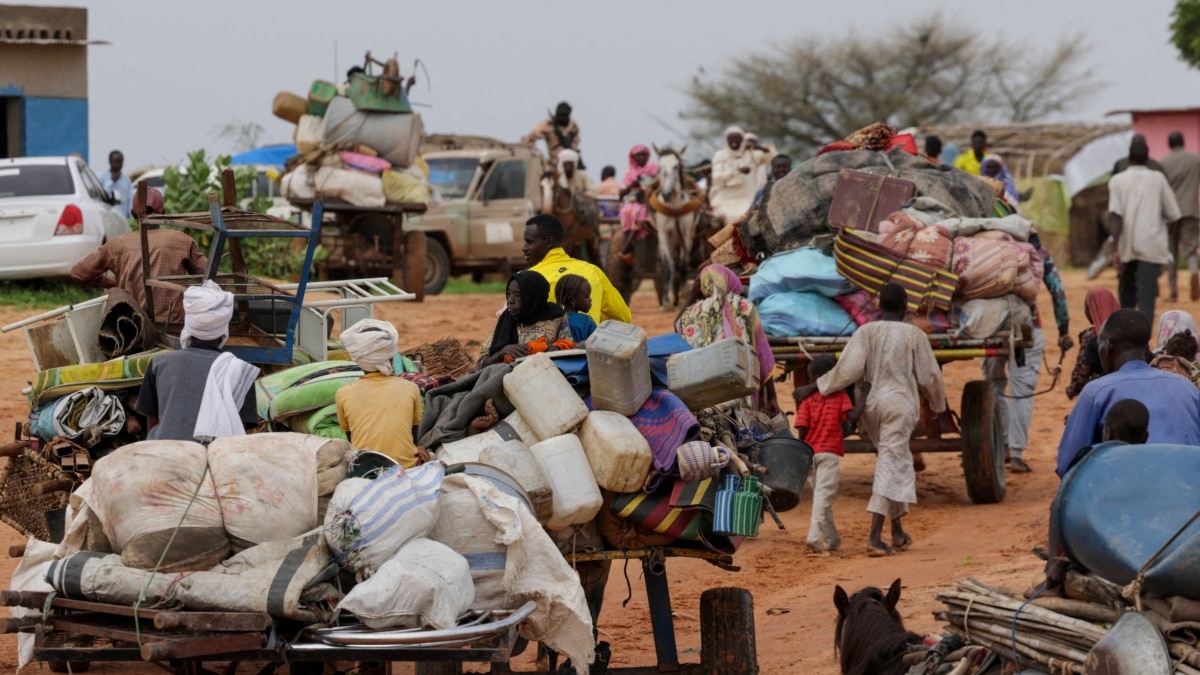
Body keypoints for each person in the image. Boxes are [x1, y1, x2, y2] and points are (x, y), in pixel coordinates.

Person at [793, 283, 947, 556]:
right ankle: (875, 538)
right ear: (904, 308)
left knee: (892, 458)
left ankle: (898, 532)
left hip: (872, 407)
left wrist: (814, 387)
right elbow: (930, 377)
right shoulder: (914, 335)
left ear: (879, 307)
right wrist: (937, 404)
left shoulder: (866, 331)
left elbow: (847, 370)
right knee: (891, 461)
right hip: (899, 405)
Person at [1056, 309, 1200, 476]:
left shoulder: (1096, 391)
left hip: (1126, 492)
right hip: (1188, 492)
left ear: (1108, 347)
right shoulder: (1186, 386)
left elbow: (1067, 465)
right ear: (1146, 347)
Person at [981, 232, 1073, 473]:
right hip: (1025, 329)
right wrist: (1063, 330)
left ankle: (1002, 445)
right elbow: (1057, 292)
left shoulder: (986, 249)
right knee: (1022, 389)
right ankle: (1017, 453)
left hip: (990, 328)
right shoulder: (1039, 253)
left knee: (994, 384)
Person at [135, 280, 259, 442]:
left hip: (162, 454)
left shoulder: (158, 363)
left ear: (189, 325)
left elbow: (152, 422)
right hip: (213, 459)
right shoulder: (240, 372)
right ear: (224, 331)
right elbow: (240, 430)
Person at [71, 187, 209, 325]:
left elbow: (78, 273)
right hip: (173, 328)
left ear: (132, 213)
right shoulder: (183, 241)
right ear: (163, 213)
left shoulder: (117, 244)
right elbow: (210, 278)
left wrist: (113, 283)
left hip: (131, 327)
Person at [675, 264, 778, 414]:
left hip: (703, 397)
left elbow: (676, 325)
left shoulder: (689, 315)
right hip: (741, 391)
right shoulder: (744, 307)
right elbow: (762, 354)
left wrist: (692, 295)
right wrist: (772, 397)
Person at [794, 356, 867, 556]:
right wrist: (864, 395)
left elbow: (801, 427)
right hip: (829, 453)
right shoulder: (840, 395)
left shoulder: (807, 400)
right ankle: (813, 535)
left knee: (821, 498)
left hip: (811, 453)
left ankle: (832, 539)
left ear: (816, 377)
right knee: (823, 498)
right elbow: (852, 418)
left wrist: (805, 450)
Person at [1108, 137, 1183, 320]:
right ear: (1147, 158)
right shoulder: (1158, 179)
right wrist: (1168, 235)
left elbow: (1116, 216)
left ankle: (1125, 334)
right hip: (1152, 244)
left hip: (1126, 245)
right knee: (1147, 297)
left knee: (1126, 293)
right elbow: (1174, 215)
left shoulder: (1117, 180)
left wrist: (1115, 247)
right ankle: (1144, 342)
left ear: (1129, 157)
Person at [335, 319, 425, 468]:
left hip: (366, 469)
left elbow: (352, 440)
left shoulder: (343, 393)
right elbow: (413, 434)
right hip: (406, 467)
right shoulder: (410, 388)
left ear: (358, 359)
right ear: (390, 356)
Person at [524, 214, 632, 325]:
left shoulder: (525, 278)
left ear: (549, 242)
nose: (524, 248)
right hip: (588, 341)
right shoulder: (593, 271)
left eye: (529, 242)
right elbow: (624, 317)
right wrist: (594, 318)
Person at [476, 270, 571, 369]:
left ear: (533, 297)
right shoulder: (506, 319)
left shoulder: (557, 317)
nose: (510, 301)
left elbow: (569, 350)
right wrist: (502, 352)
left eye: (517, 295)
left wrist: (555, 350)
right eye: (508, 294)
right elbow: (480, 365)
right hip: (506, 377)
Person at [1160, 131, 1200, 302]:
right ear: (1183, 142)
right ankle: (1193, 272)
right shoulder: (1195, 159)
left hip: (1171, 214)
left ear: (1169, 144)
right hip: (1191, 209)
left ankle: (1174, 292)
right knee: (1190, 249)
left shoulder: (1164, 163)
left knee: (1172, 252)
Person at [1066, 288, 1121, 400]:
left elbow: (1082, 371)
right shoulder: (1130, 330)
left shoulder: (1091, 336)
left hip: (1102, 393)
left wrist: (1072, 389)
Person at [710, 126, 759, 223]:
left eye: (737, 138)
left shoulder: (751, 154)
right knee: (733, 216)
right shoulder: (720, 156)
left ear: (742, 139)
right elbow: (717, 178)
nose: (734, 141)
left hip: (749, 198)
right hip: (726, 199)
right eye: (731, 138)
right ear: (726, 140)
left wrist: (758, 146)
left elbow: (771, 157)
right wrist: (737, 170)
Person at [522, 101, 581, 166]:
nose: (563, 118)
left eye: (565, 116)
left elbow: (576, 143)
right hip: (555, 163)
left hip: (572, 163)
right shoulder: (548, 125)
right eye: (561, 116)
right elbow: (531, 136)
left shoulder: (573, 126)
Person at [555, 274, 597, 343]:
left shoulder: (554, 320)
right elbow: (596, 344)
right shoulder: (586, 321)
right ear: (572, 300)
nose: (590, 300)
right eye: (587, 296)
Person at [99, 150, 133, 220]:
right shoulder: (101, 177)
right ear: (110, 162)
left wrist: (131, 217)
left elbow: (130, 200)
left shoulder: (126, 180)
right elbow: (101, 196)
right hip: (107, 218)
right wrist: (112, 181)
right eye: (116, 162)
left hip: (123, 219)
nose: (118, 165)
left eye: (120, 162)